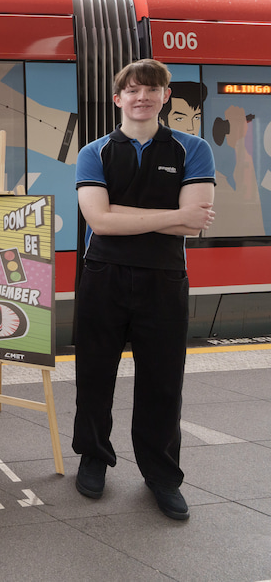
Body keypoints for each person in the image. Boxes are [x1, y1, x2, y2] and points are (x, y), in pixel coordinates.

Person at [73, 59, 216, 520]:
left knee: (163, 382)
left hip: (164, 279)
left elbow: (196, 223)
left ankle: (161, 474)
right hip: (103, 276)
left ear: (165, 96)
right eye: (132, 90)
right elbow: (98, 221)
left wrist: (122, 215)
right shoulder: (93, 152)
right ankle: (94, 457)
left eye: (151, 89)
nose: (142, 97)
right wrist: (171, 217)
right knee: (94, 374)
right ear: (118, 99)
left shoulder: (193, 149)